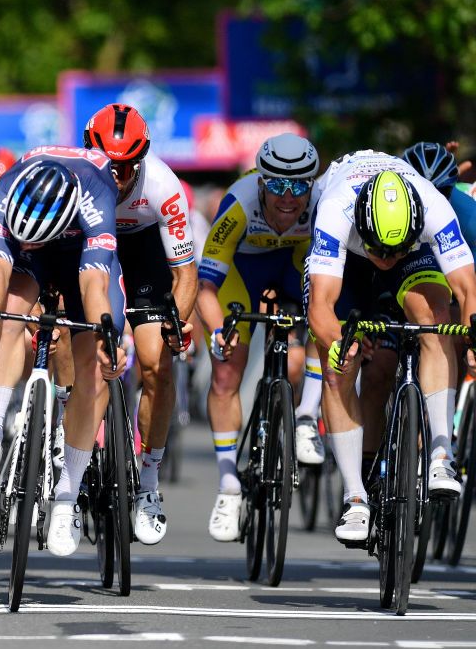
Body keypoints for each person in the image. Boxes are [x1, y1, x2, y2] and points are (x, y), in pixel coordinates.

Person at [0, 145, 127, 558]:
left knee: (91, 365)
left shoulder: (96, 196)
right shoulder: (4, 191)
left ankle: (67, 500)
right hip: (26, 254)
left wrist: (108, 340)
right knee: (9, 313)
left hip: (80, 258)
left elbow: (93, 288)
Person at [307, 150, 476, 545]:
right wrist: (339, 344)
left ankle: (439, 457)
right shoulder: (334, 211)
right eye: (380, 251)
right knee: (338, 366)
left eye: (395, 251)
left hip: (410, 250)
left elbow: (468, 288)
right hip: (348, 257)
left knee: (433, 320)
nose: (387, 259)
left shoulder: (432, 206)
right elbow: (320, 307)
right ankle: (354, 497)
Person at [196, 133, 325, 542]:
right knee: (225, 373)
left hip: (294, 266)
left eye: (300, 186)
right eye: (278, 185)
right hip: (243, 273)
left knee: (319, 331)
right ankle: (228, 485)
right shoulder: (237, 206)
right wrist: (219, 334)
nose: (288, 198)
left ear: (313, 185)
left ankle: (304, 417)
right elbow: (205, 290)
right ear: (261, 182)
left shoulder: (323, 207)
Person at [82, 103, 196, 545]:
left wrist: (176, 324)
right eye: (110, 165)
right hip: (95, 255)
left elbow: (185, 274)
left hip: (146, 256)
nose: (118, 176)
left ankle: (148, 482)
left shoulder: (164, 186)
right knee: (75, 340)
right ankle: (68, 440)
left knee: (157, 365)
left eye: (128, 167)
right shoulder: (75, 177)